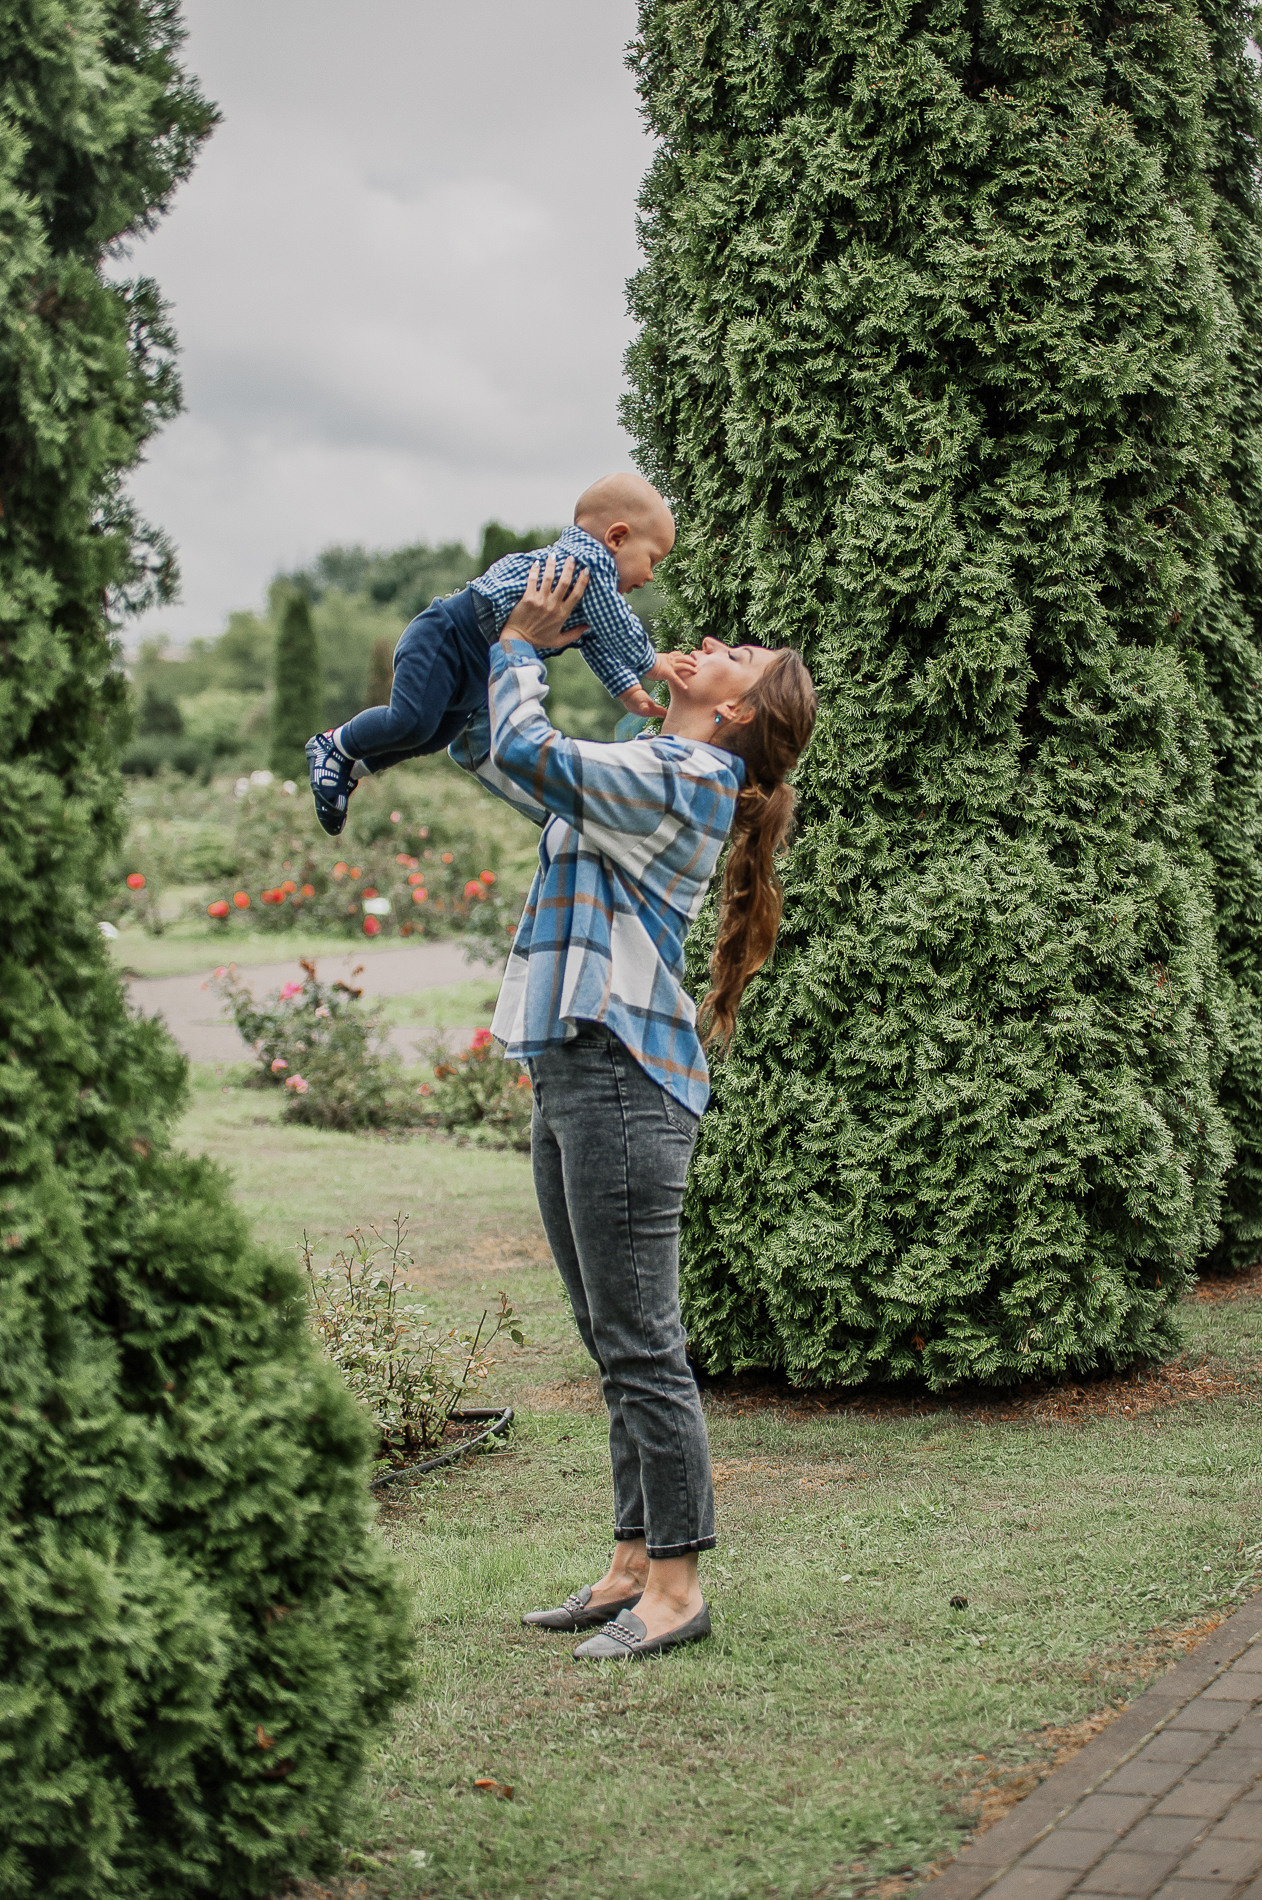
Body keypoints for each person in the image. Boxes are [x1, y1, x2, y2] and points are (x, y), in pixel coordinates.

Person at [450, 554, 817, 1660]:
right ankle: (626, 1564)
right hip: (573, 1064)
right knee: (608, 1337)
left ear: (739, 707)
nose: (709, 645)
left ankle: (676, 1587)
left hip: (622, 1074)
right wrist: (486, 652)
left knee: (642, 1342)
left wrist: (522, 649)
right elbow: (500, 758)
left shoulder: (688, 779)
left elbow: (529, 745)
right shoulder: (647, 762)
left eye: (734, 657)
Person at [304, 472, 686, 836]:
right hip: (446, 638)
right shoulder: (588, 563)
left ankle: (351, 767)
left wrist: (628, 691)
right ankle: (333, 745)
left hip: (478, 665)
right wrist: (653, 663)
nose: (651, 575)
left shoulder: (590, 593)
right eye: (652, 559)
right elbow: (620, 626)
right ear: (617, 537)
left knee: (433, 735)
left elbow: (596, 641)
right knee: (412, 721)